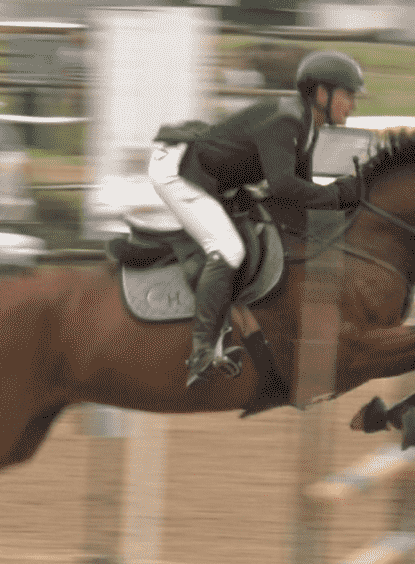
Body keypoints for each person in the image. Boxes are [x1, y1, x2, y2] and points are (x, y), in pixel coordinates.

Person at [148, 50, 367, 386]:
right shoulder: (286, 121)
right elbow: (283, 186)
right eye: (348, 95)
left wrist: (346, 207)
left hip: (213, 177)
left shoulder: (308, 126)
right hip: (177, 172)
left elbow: (300, 198)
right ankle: (202, 351)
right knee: (229, 250)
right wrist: (338, 195)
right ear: (322, 94)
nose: (352, 105)